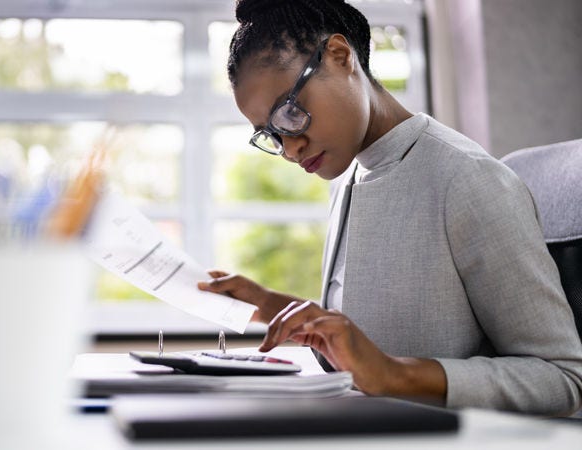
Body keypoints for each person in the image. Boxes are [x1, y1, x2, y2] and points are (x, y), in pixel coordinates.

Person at [197, 0, 582, 416]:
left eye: (290, 113)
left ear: (340, 56)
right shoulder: (348, 175)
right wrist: (270, 303)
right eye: (271, 134)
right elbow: (375, 329)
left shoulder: (467, 179)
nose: (290, 148)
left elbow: (562, 377)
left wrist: (395, 374)